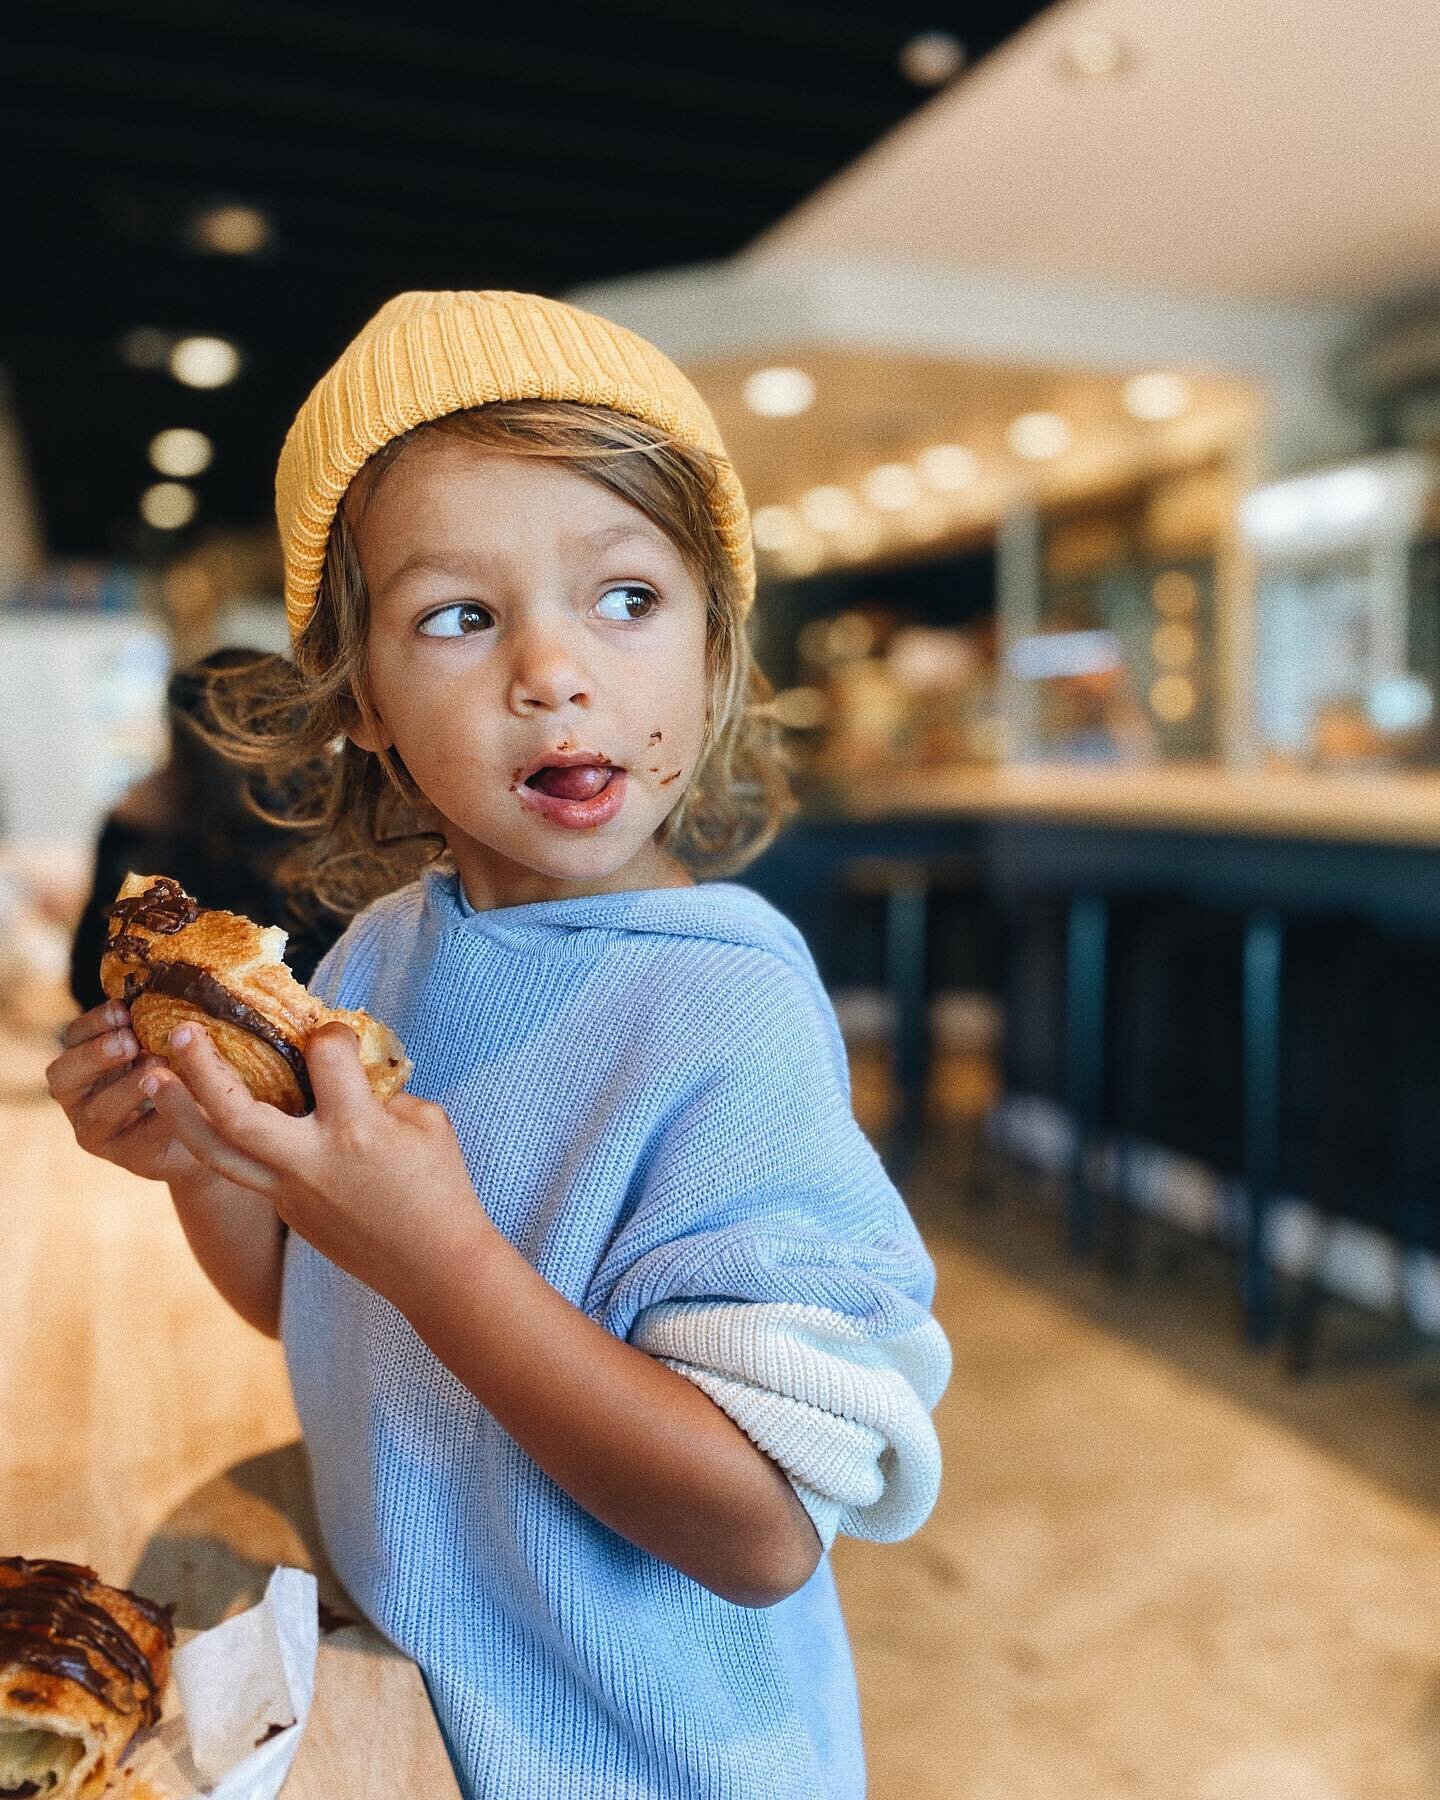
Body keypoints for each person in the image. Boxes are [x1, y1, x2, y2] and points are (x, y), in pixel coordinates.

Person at [46, 290, 951, 1800]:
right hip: (422, 1717)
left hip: (642, 1761)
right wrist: (204, 1153)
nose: (551, 669)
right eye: (459, 616)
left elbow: (762, 1530)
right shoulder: (387, 951)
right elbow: (309, 1300)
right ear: (365, 707)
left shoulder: (726, 1008)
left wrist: (441, 1257)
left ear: (718, 656)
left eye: (625, 599)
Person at [68, 646, 340, 1014]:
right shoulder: (351, 837)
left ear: (183, 744)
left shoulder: (159, 838)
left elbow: (91, 984)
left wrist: (120, 833)